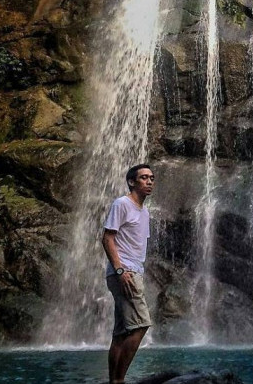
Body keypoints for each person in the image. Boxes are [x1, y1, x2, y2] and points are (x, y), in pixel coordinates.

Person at [102, 164, 155, 384]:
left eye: (152, 178)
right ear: (132, 182)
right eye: (144, 178)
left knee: (121, 333)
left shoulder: (144, 211)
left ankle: (113, 380)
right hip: (125, 272)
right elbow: (107, 238)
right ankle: (120, 380)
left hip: (133, 271)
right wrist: (120, 269)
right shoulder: (122, 204)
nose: (149, 181)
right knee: (141, 325)